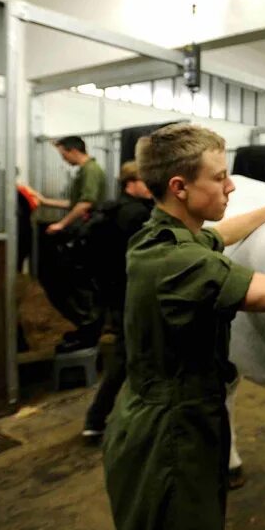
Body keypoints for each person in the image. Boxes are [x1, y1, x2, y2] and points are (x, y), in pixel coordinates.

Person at [102, 124, 265, 530]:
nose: (231, 187)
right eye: (219, 178)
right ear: (179, 187)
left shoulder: (158, 238)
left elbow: (220, 234)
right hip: (172, 438)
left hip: (166, 419)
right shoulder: (183, 264)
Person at [82, 161, 154, 442]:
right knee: (128, 358)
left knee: (129, 357)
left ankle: (99, 419)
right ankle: (97, 418)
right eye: (144, 181)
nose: (149, 186)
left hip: (113, 294)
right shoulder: (137, 215)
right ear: (130, 184)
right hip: (134, 296)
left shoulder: (109, 209)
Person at [34, 136, 108, 351]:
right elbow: (76, 202)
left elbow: (86, 204)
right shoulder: (86, 171)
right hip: (82, 229)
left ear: (73, 150)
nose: (63, 159)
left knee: (78, 282)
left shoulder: (90, 171)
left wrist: (61, 224)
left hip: (85, 232)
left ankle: (89, 326)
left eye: (63, 154)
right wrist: (46, 201)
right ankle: (86, 327)